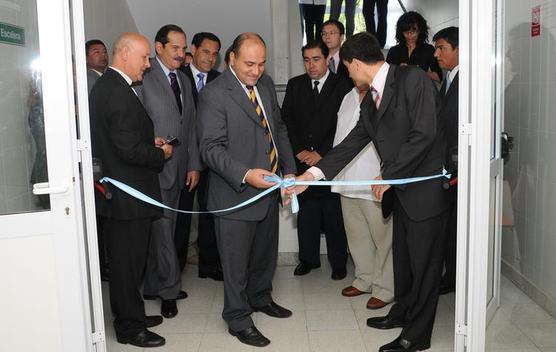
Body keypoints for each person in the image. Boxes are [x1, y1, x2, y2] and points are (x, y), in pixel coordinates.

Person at [287, 32, 449, 352]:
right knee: (403, 263)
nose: (348, 74)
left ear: (358, 63)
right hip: (400, 196)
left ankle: (416, 337)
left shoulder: (412, 79)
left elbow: (424, 133)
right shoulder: (371, 98)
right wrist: (311, 175)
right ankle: (401, 312)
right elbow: (352, 142)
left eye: (348, 68)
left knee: (424, 266)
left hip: (424, 194)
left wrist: (390, 173)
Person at [197, 32, 297, 348]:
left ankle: (260, 297)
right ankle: (238, 318)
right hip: (235, 194)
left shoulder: (265, 86)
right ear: (232, 60)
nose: (256, 71)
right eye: (250, 64)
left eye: (262, 64)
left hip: (269, 189)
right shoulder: (215, 94)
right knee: (236, 263)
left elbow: (277, 128)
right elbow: (210, 149)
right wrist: (245, 174)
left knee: (264, 256)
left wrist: (289, 170)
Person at [90, 32, 173, 348]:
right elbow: (127, 151)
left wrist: (145, 142)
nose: (148, 64)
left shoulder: (114, 86)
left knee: (132, 261)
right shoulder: (115, 91)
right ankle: (129, 328)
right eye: (145, 57)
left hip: (125, 194)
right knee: (126, 266)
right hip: (127, 197)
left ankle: (132, 314)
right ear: (125, 54)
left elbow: (121, 139)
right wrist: (160, 154)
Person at [138, 24, 201, 319]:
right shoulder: (143, 80)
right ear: (158, 48)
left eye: (183, 48)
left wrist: (193, 164)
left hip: (180, 169)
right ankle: (168, 291)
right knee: (162, 231)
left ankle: (154, 284)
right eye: (174, 48)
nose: (180, 53)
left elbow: (190, 128)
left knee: (166, 229)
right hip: (154, 168)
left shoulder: (185, 81)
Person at [281, 40, 351, 279]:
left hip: (331, 160)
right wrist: (299, 150)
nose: (311, 65)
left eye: (316, 59)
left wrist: (321, 153)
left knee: (334, 215)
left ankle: (338, 262)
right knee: (307, 214)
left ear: (327, 59)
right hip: (302, 161)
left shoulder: (343, 84)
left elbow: (345, 124)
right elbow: (286, 121)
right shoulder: (295, 85)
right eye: (306, 60)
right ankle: (308, 260)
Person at [332, 83, 394, 310]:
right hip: (347, 179)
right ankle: (364, 278)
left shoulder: (383, 97)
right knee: (356, 235)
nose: (350, 74)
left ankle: (386, 288)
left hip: (374, 180)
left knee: (383, 238)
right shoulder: (347, 96)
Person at [177, 31, 223, 281]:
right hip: (182, 160)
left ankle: (210, 266)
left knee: (210, 213)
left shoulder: (220, 80)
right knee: (181, 216)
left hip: (212, 160)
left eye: (215, 54)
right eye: (206, 51)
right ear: (193, 50)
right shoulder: (178, 77)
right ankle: (176, 270)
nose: (210, 58)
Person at [433, 26, 459, 295]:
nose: (437, 54)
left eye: (442, 48)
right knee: (448, 227)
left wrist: (460, 168)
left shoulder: (468, 83)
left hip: (458, 170)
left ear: (458, 49)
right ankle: (449, 276)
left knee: (455, 228)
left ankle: (453, 277)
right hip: (446, 169)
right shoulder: (448, 79)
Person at [386, 11, 442, 83]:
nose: (409, 36)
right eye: (406, 32)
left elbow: (438, 77)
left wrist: (418, 72)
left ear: (420, 31)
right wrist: (398, 70)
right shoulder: (394, 51)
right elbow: (386, 76)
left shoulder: (428, 49)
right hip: (398, 90)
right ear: (401, 32)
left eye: (413, 32)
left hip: (419, 90)